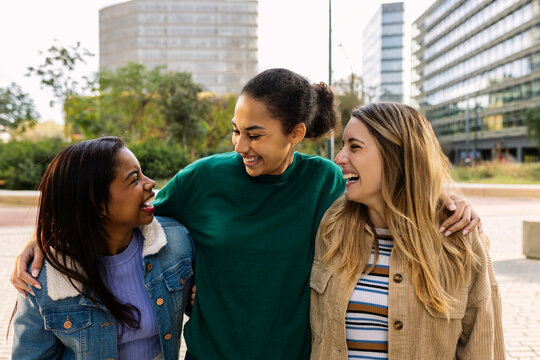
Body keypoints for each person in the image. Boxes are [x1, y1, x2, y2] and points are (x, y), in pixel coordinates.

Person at [11, 69, 480, 360]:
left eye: (255, 135)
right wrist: (45, 238)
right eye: (236, 131)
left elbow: (390, 188)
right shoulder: (204, 178)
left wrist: (450, 201)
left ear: (295, 133)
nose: (240, 147)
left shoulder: (326, 181)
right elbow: (118, 210)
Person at [310, 103, 504, 359]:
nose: (340, 158)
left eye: (354, 147)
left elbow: (482, 348)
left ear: (396, 156)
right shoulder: (332, 227)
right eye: (343, 145)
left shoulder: (460, 242)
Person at [11, 137, 193, 360]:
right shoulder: (44, 278)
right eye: (134, 179)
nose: (151, 183)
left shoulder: (175, 242)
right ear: (96, 204)